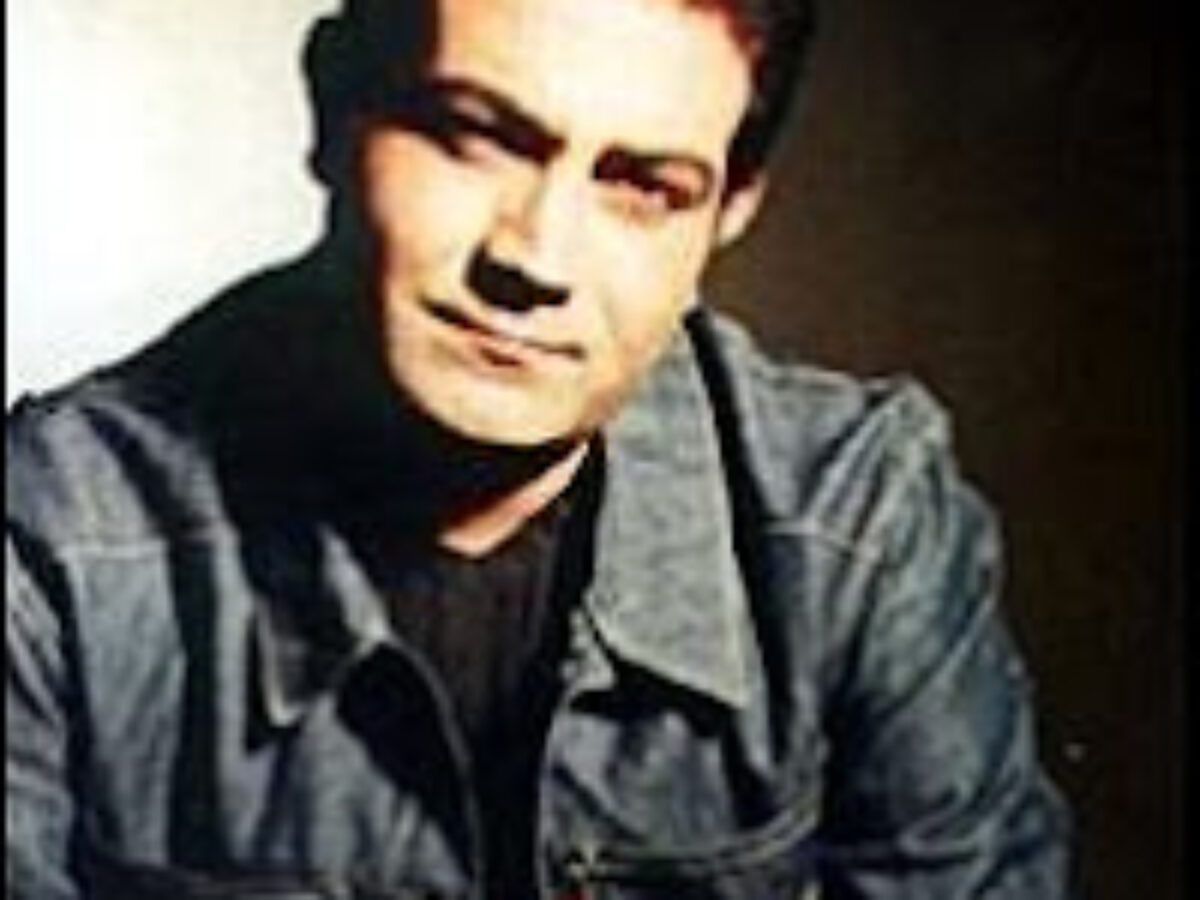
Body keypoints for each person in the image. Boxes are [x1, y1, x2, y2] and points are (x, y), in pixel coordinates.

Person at [5, 0, 1073, 896]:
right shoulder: (52, 533)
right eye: (475, 135)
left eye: (644, 188)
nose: (537, 258)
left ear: (729, 213)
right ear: (334, 108)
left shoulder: (860, 519)